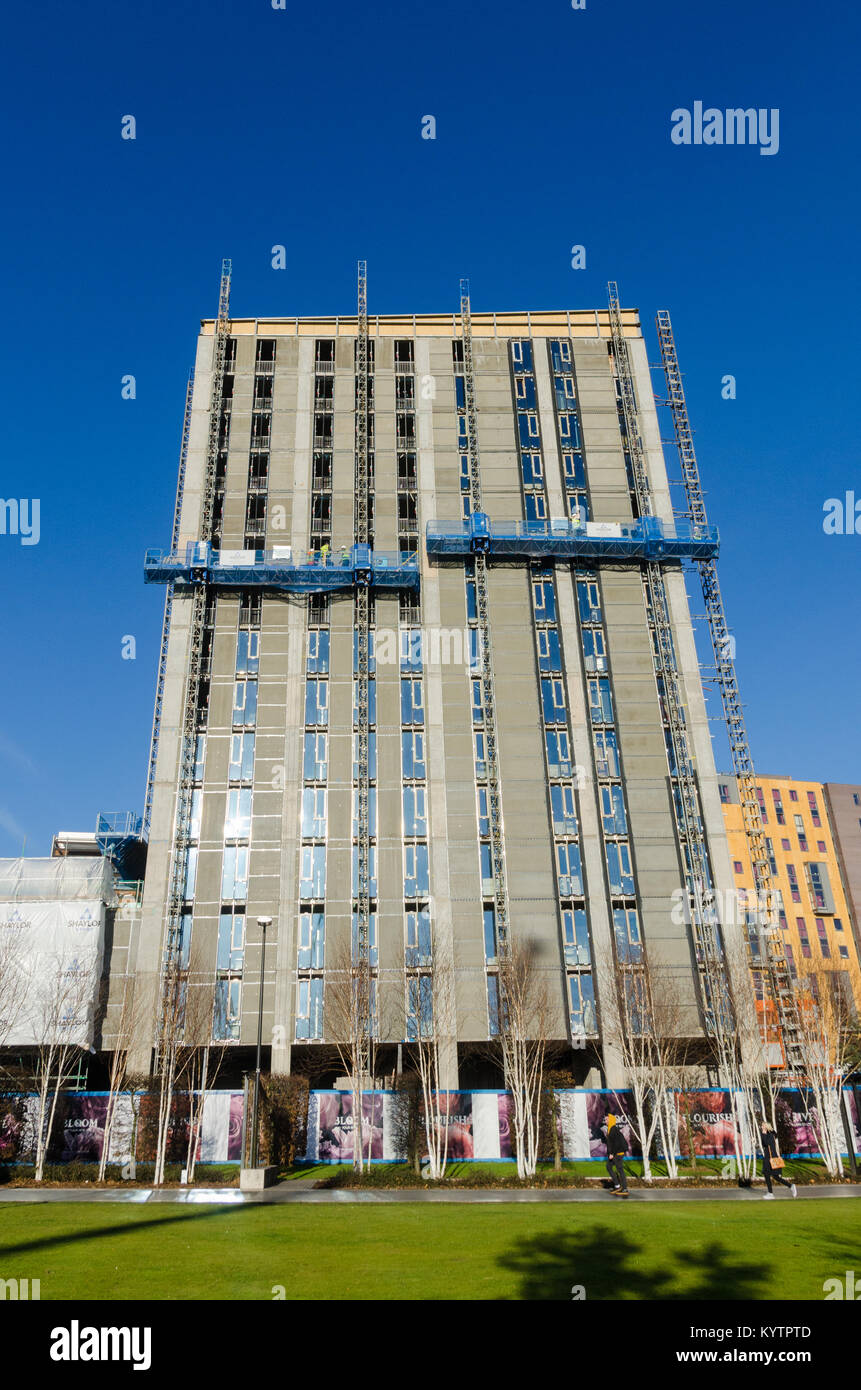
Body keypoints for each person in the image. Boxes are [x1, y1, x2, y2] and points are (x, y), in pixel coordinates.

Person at [760, 1119, 797, 1199]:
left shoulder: (769, 1135)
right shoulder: (768, 1134)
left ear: (766, 1127)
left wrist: (763, 1134)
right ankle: (791, 1186)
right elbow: (764, 1144)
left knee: (768, 1175)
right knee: (775, 1177)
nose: (761, 1127)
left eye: (763, 1126)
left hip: (770, 1158)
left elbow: (766, 1143)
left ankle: (770, 1193)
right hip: (769, 1157)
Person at [605, 1113, 629, 1197]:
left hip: (618, 1153)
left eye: (607, 1119)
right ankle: (617, 1186)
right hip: (615, 1153)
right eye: (605, 1120)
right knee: (608, 1166)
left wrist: (612, 1153)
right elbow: (610, 1143)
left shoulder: (613, 1129)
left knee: (620, 1170)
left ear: (611, 1120)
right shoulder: (610, 1129)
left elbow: (616, 1143)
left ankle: (625, 1188)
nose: (605, 1121)